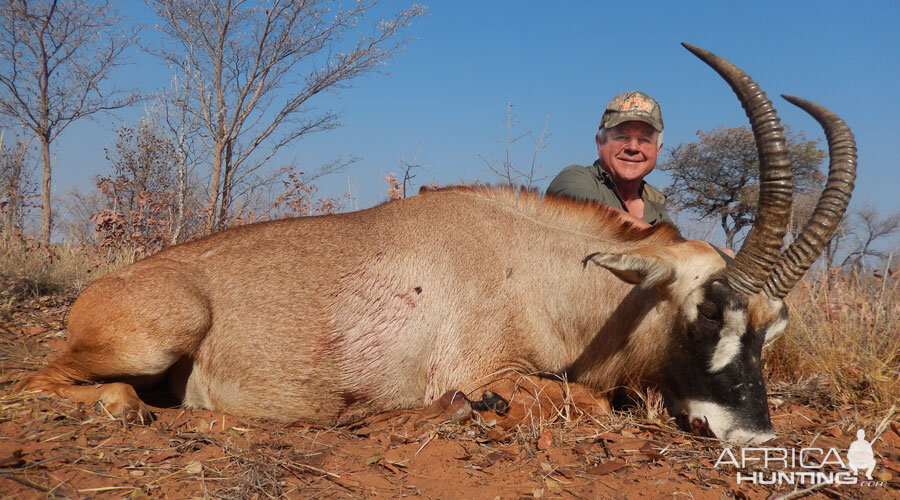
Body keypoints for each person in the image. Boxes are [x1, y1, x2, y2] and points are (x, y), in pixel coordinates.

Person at [547, 90, 673, 228]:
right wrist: (673, 245)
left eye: (644, 139)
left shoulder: (657, 211)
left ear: (658, 149)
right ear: (599, 142)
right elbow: (590, 214)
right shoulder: (574, 179)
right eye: (622, 137)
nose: (633, 147)